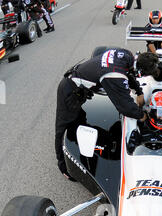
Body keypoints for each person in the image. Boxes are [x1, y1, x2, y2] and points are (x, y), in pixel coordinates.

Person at [55, 49, 150, 180]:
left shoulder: (125, 54)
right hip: (69, 91)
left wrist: (139, 92)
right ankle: (64, 167)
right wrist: (142, 115)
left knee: (80, 119)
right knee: (62, 127)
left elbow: (128, 74)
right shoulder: (113, 75)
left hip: (80, 89)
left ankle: (76, 139)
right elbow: (125, 107)